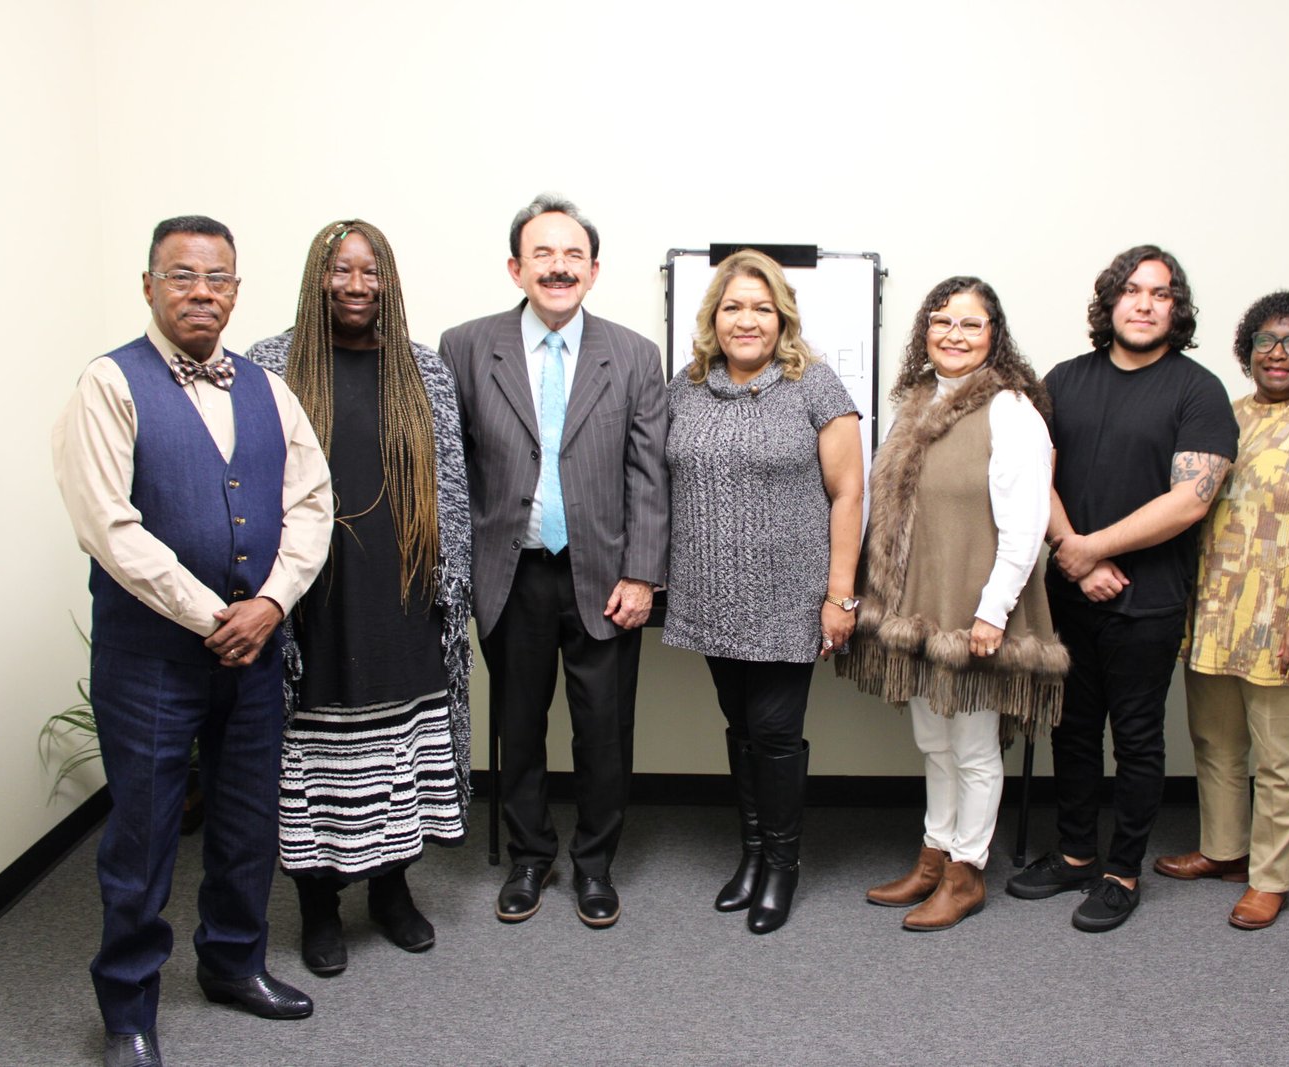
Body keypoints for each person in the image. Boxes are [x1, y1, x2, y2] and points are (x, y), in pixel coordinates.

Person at [52, 216, 333, 1067]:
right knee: (141, 835)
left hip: (253, 650)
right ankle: (129, 1010)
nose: (201, 291)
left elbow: (313, 503)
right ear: (148, 285)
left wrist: (273, 603)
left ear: (237, 292)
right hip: (152, 659)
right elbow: (109, 526)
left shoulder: (267, 388)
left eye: (217, 278)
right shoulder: (108, 384)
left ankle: (233, 964)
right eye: (182, 276)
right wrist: (215, 614)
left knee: (249, 820)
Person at [246, 220, 474, 975]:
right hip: (310, 591)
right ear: (317, 276)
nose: (355, 284)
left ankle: (391, 890)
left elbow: (452, 482)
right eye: (340, 270)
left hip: (404, 588)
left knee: (398, 743)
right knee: (313, 750)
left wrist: (453, 588)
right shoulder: (270, 364)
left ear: (389, 281)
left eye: (370, 271)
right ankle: (317, 903)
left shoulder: (424, 368)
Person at [441, 194, 668, 929]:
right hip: (511, 573)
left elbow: (649, 475)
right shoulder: (467, 346)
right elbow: (455, 468)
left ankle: (595, 864)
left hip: (605, 577)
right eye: (543, 254)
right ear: (516, 266)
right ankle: (529, 857)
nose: (558, 266)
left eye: (573, 255)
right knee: (519, 725)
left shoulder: (633, 354)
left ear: (594, 270)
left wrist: (642, 572)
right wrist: (461, 570)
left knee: (605, 729)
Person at [1005, 244, 1238, 933]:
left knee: (1136, 739)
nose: (1144, 303)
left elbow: (1190, 500)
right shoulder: (1063, 380)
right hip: (1067, 592)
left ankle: (1121, 872)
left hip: (1150, 598)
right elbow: (1031, 475)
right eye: (1132, 290)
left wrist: (1092, 549)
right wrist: (1070, 553)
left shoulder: (1198, 390)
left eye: (1161, 294)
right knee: (1072, 730)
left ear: (1177, 310)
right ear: (1109, 302)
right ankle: (1076, 854)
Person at [840, 276, 1067, 931]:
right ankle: (934, 856)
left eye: (970, 324)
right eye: (942, 321)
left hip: (975, 607)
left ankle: (967, 872)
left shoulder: (1011, 410)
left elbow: (1026, 526)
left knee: (971, 744)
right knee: (932, 739)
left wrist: (993, 611)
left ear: (994, 335)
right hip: (918, 604)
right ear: (925, 330)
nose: (954, 334)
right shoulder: (915, 401)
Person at [1156, 291, 1289, 930]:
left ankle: (1270, 878)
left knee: (1280, 760)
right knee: (1216, 743)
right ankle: (1223, 850)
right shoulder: (1228, 414)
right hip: (1219, 621)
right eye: (1265, 342)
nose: (1277, 354)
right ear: (1247, 350)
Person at [663, 248, 863, 934]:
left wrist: (840, 596)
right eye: (732, 306)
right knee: (742, 729)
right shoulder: (684, 386)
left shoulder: (816, 386)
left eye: (761, 307)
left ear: (783, 317)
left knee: (775, 734)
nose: (746, 320)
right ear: (713, 317)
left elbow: (848, 494)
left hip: (788, 596)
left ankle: (782, 866)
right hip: (709, 595)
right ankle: (750, 856)